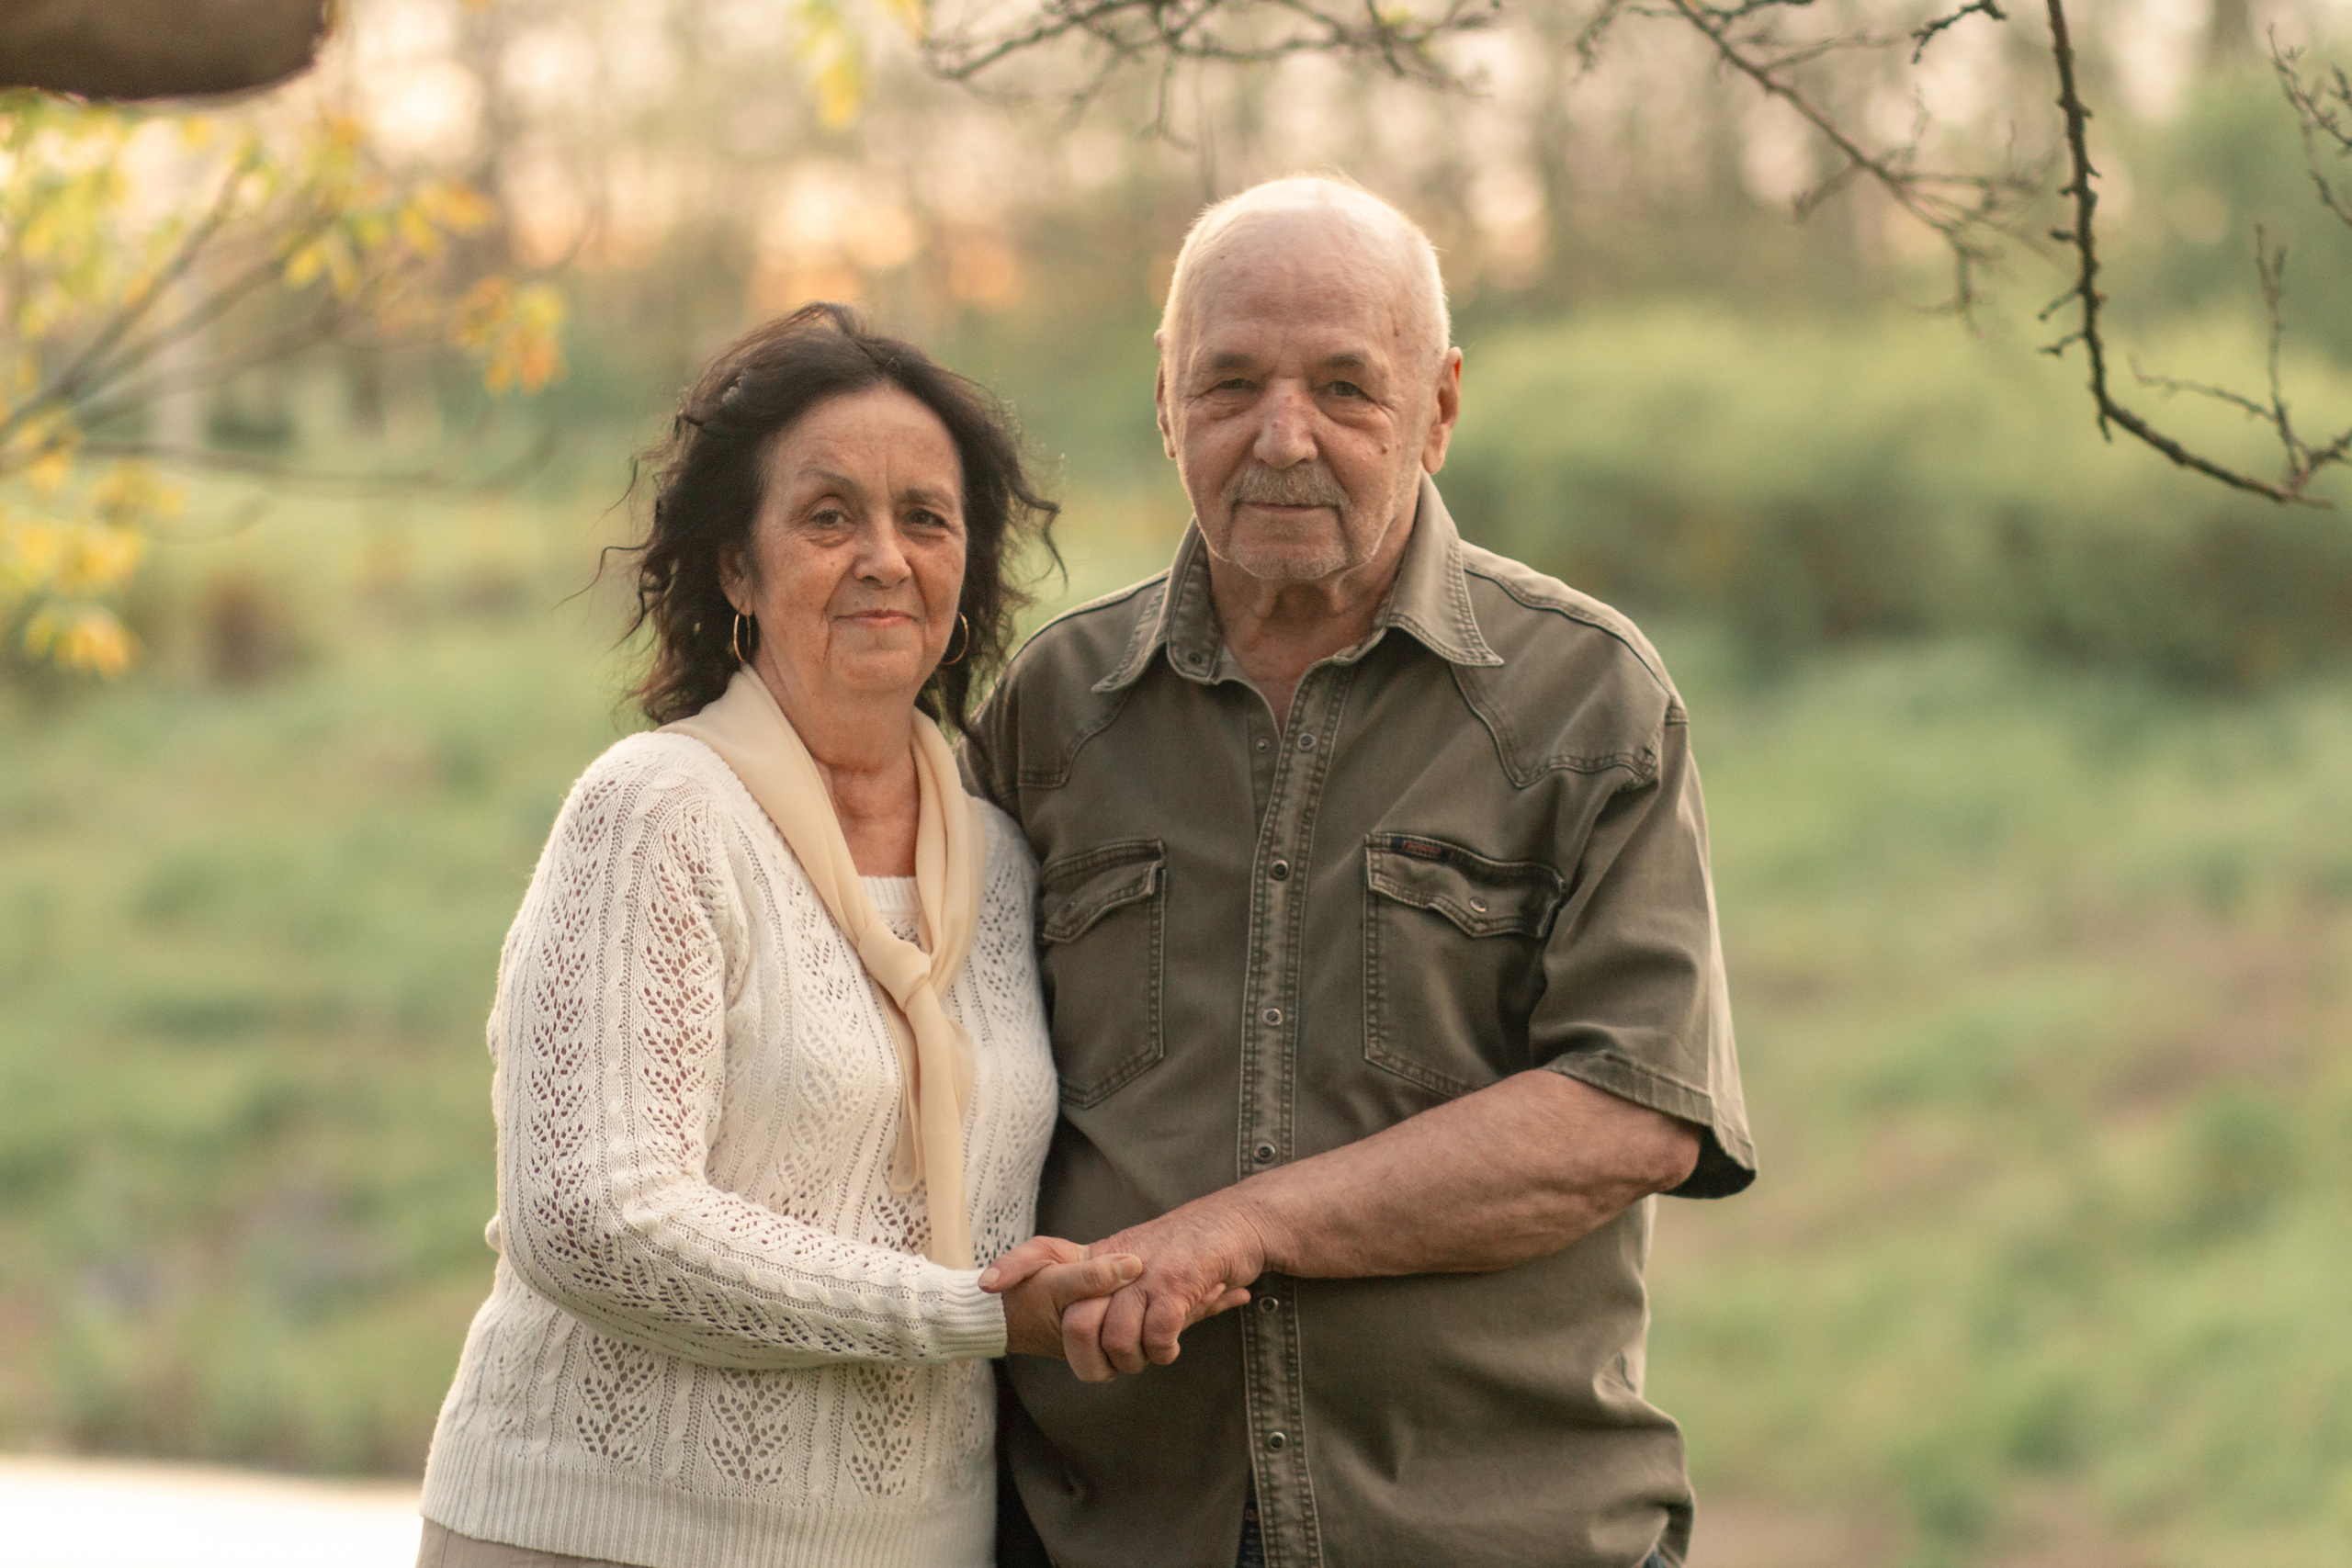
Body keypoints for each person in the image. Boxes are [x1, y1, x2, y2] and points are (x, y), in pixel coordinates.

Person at [965, 177, 1758, 1568]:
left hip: (1497, 1536)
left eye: (1345, 386)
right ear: (1166, 404)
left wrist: (1242, 1230)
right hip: (1112, 1538)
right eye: (1230, 385)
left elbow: (1634, 1110)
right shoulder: (1054, 710)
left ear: (1440, 405)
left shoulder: (1585, 700)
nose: (1284, 438)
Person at [415, 304, 1158, 1568]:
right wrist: (970, 1315)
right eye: (829, 517)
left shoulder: (1005, 859)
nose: (885, 556)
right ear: (737, 571)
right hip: (601, 1536)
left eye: (926, 518)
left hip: (915, 1543)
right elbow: (600, 1218)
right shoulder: (658, 813)